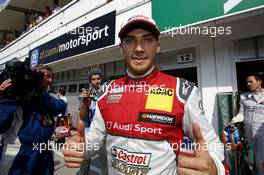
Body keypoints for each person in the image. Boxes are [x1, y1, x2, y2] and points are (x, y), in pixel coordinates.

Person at [64, 15, 224, 174]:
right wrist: (83, 147)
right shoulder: (107, 90)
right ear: (121, 48)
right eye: (129, 40)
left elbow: (209, 141)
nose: (139, 48)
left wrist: (214, 166)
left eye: (147, 39)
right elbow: (98, 135)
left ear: (157, 46)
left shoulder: (181, 90)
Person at [0, 64, 66, 175]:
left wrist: (39, 94)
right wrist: (5, 96)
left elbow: (60, 106)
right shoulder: (14, 96)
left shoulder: (45, 96)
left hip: (44, 153)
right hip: (19, 155)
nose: (50, 80)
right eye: (46, 76)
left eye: (52, 77)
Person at [230, 72, 264, 175]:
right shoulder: (244, 97)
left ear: (259, 82)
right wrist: (234, 120)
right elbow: (241, 114)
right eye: (247, 82)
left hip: (262, 133)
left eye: (251, 81)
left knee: (259, 160)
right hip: (249, 134)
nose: (248, 84)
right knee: (254, 159)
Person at [77, 67, 108, 175]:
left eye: (98, 78)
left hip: (103, 134)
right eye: (93, 79)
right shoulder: (85, 95)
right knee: (84, 161)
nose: (96, 81)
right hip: (88, 133)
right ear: (90, 81)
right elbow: (82, 117)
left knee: (106, 164)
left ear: (102, 79)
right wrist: (85, 102)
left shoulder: (107, 94)